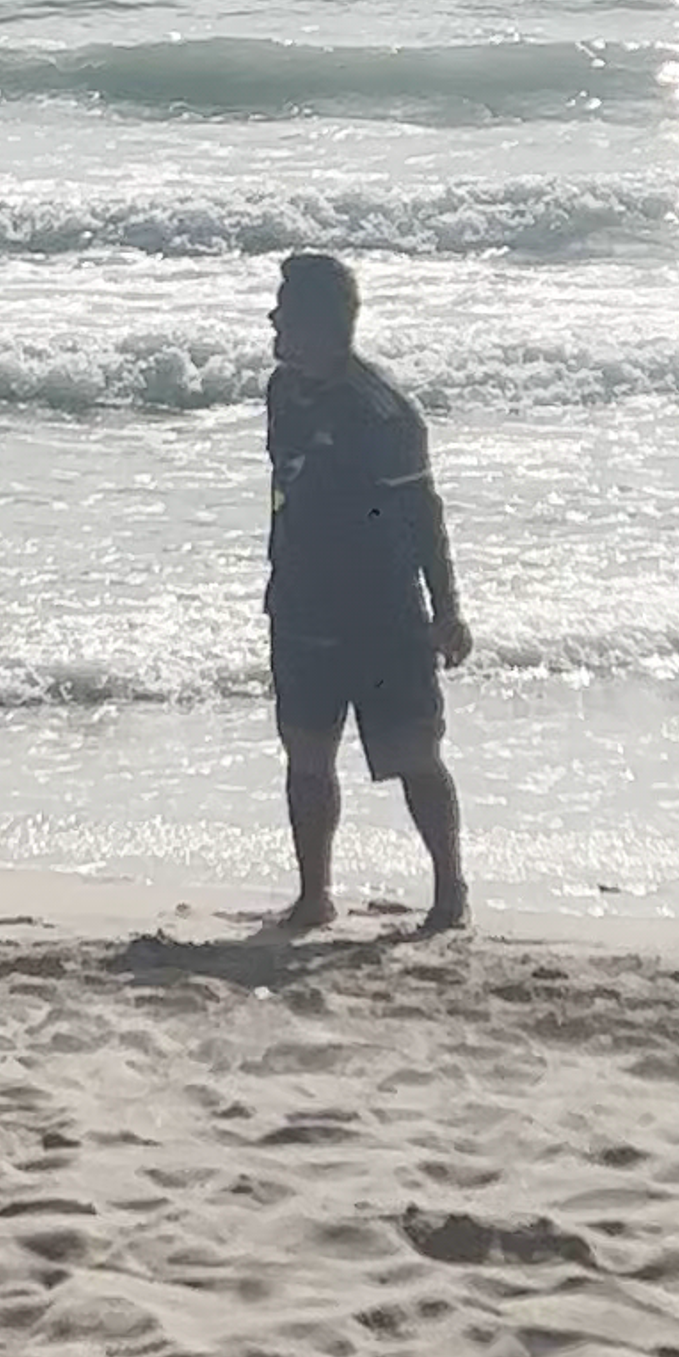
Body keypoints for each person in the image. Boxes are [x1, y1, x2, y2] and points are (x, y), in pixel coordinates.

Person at [263, 251, 470, 939]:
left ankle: (449, 891)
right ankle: (313, 893)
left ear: (322, 323)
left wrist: (447, 610)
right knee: (307, 754)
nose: (273, 319)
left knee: (413, 755)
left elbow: (424, 516)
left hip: (381, 615)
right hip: (299, 605)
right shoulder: (282, 391)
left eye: (285, 310)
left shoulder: (384, 413)